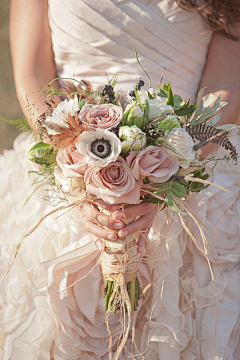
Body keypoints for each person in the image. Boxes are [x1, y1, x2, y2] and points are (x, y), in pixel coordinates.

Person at [0, 0, 239, 359]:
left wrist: (160, 175)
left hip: (197, 166)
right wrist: (77, 169)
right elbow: (33, 76)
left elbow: (225, 88)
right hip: (66, 157)